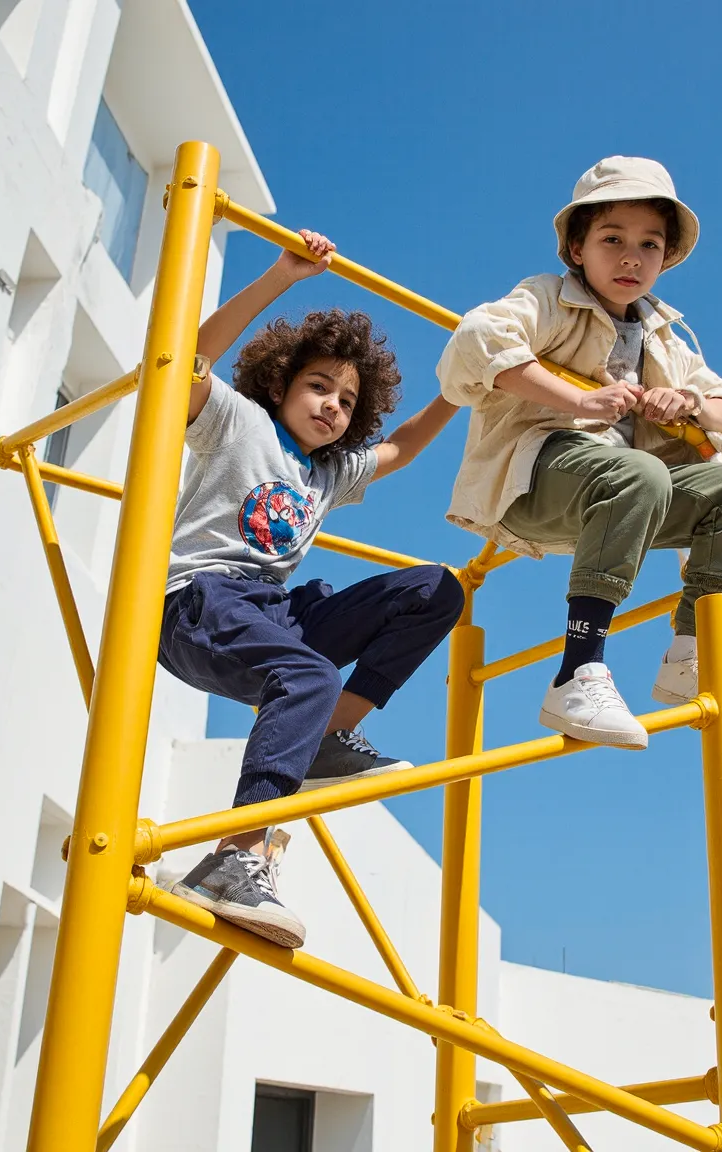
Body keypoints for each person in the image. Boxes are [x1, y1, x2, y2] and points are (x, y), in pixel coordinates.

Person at [438, 155, 722, 751]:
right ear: (576, 248)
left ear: (665, 257)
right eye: (612, 239)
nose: (631, 257)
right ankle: (577, 670)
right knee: (640, 472)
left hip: (624, 498)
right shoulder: (547, 298)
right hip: (534, 479)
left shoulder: (664, 334)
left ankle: (688, 649)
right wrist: (578, 398)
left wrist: (690, 404)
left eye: (649, 244)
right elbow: (476, 340)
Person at [159, 230, 463, 947]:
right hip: (197, 603)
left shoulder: (330, 471)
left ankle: (328, 735)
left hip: (270, 612)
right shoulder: (237, 421)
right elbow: (189, 355)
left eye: (347, 400)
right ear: (282, 384)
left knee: (436, 590)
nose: (332, 405)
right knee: (308, 671)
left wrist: (463, 384)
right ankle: (234, 858)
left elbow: (408, 445)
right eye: (319, 386)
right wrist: (281, 277)